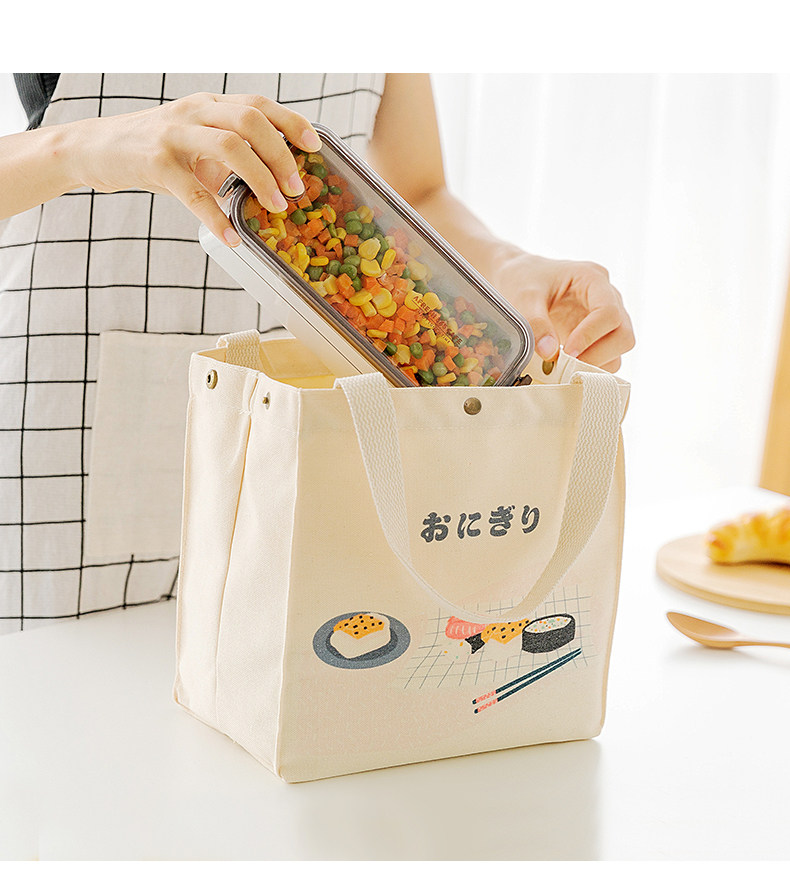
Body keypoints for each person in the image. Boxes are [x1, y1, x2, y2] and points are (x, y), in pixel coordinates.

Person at [0, 73, 634, 633]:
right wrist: (78, 148)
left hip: (319, 420)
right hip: (70, 414)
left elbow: (418, 191)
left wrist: (506, 266)